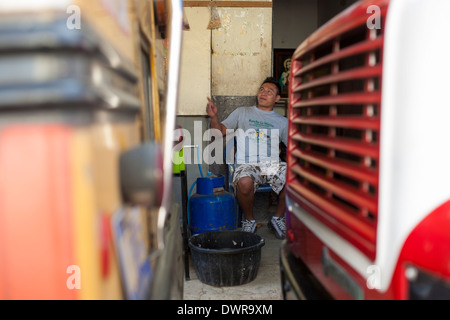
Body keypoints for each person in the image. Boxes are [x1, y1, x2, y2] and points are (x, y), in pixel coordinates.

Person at [205, 77, 288, 239]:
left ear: (277, 99)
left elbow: (293, 146)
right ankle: (249, 220)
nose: (263, 93)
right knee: (244, 182)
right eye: (262, 89)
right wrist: (214, 116)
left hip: (272, 164)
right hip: (246, 164)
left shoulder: (282, 122)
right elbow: (218, 132)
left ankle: (278, 218)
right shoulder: (242, 112)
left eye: (269, 91)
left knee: (295, 176)